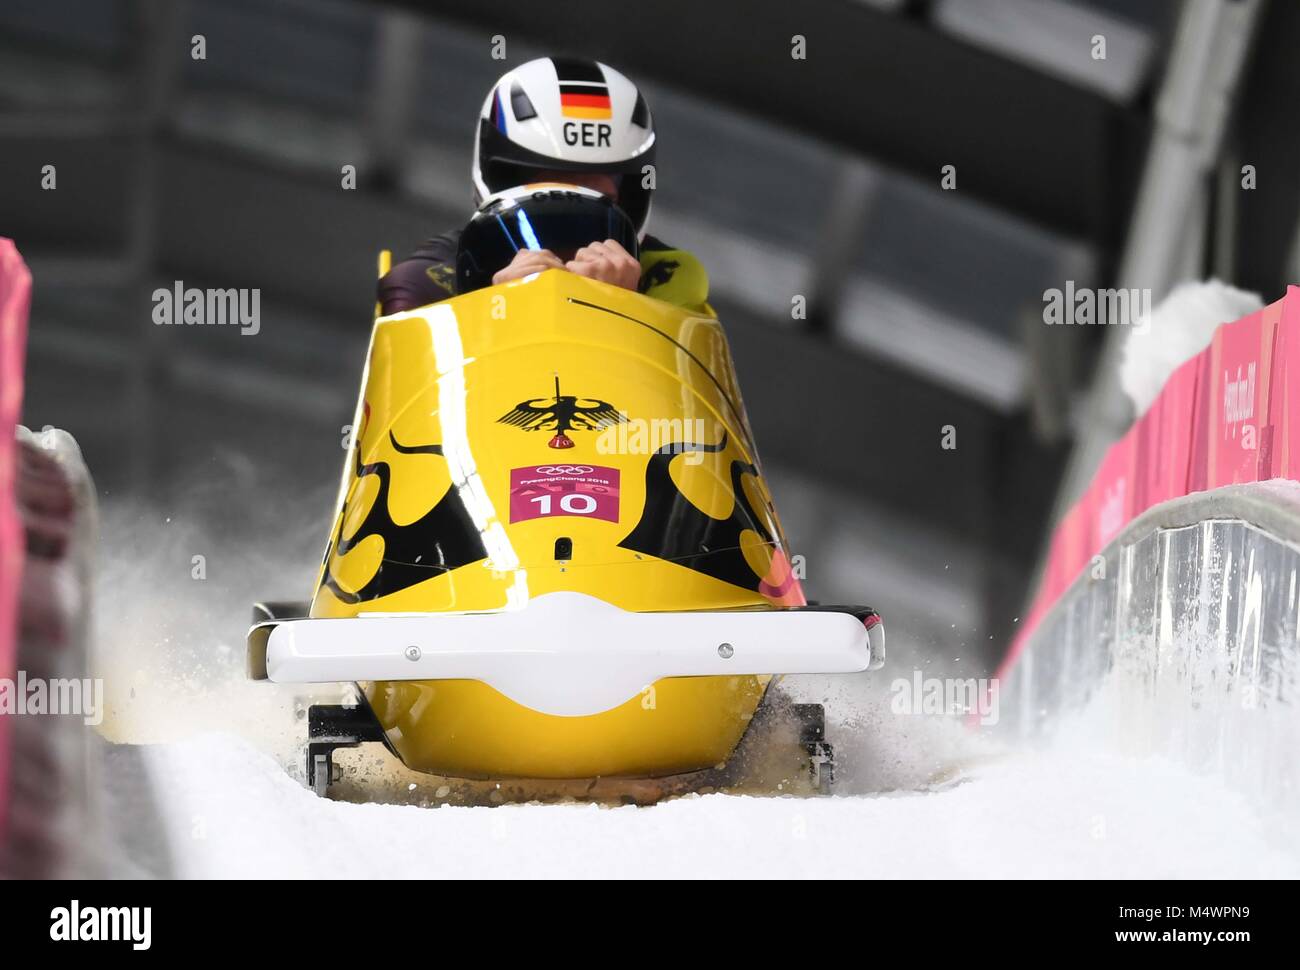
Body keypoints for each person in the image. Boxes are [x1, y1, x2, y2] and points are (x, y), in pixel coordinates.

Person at [378, 56, 711, 315]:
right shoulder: (430, 278)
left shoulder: (670, 275)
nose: (570, 231)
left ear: (630, 198)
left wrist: (621, 307)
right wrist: (495, 307)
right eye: (550, 196)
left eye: (598, 201)